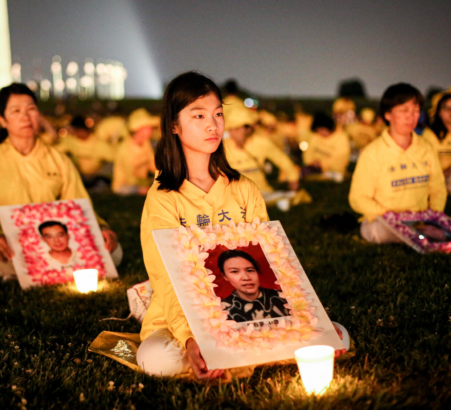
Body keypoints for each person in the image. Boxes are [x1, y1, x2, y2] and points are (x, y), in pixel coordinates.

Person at [135, 72, 345, 380]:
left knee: (338, 335)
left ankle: (234, 355)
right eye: (199, 115)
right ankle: (236, 353)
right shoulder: (163, 198)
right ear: (174, 126)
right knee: (158, 358)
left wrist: (302, 316)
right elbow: (166, 276)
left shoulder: (245, 188)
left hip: (249, 312)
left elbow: (270, 262)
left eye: (218, 114)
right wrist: (191, 338)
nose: (213, 125)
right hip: (182, 315)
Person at [0, 83, 122, 278]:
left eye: (31, 109)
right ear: (2, 120)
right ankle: (60, 270)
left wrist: (102, 228)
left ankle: (36, 272)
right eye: (16, 111)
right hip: (15, 243)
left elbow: (80, 205)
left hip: (60, 241)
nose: (25, 117)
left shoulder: (58, 159)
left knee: (114, 250)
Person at [349, 83, 451, 243]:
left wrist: (434, 216)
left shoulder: (425, 147)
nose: (411, 116)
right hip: (385, 220)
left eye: (415, 110)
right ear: (387, 115)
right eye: (404, 111)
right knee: (379, 231)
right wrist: (392, 215)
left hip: (422, 218)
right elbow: (358, 198)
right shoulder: (373, 152)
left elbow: (437, 188)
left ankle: (426, 232)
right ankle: (430, 234)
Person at [223, 104, 300, 205]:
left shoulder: (261, 143)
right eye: (231, 129)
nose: (234, 133)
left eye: (238, 128)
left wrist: (293, 178)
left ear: (248, 128)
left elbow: (282, 160)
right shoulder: (222, 146)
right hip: (233, 193)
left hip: (260, 191)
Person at [218, 250, 289, 322]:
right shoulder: (221, 310)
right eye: (235, 271)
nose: (246, 277)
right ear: (225, 276)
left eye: (250, 270)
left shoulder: (284, 297)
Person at [54, 115, 115, 189]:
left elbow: (114, 159)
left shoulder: (99, 143)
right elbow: (55, 151)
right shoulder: (70, 141)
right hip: (78, 176)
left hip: (96, 177)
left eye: (72, 130)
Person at [111, 108, 157, 195]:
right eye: (148, 127)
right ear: (139, 129)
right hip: (125, 186)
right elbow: (130, 178)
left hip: (142, 182)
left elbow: (152, 163)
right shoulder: (125, 150)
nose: (151, 130)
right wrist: (149, 183)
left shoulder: (145, 142)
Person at [302, 112, 350, 181]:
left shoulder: (341, 138)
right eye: (318, 130)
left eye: (322, 130)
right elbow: (308, 153)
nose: (320, 133)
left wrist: (322, 164)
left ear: (329, 128)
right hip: (314, 169)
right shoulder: (315, 137)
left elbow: (341, 158)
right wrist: (310, 162)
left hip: (334, 171)